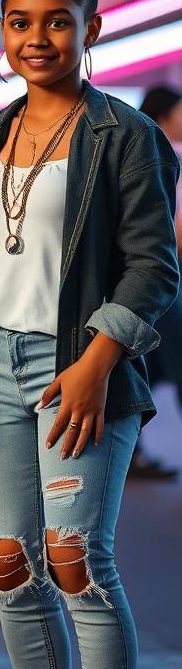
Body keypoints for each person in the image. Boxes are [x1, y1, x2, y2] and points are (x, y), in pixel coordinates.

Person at [0, 0, 179, 669]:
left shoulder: (129, 135)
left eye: (57, 20)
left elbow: (155, 267)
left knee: (76, 557)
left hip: (78, 365)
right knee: (11, 563)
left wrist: (97, 359)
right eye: (20, 21)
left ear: (93, 27)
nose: (36, 36)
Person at [129, 85, 182, 479]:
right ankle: (132, 452)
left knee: (139, 365)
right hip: (166, 279)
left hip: (153, 278)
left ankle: (133, 452)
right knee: (144, 366)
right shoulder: (162, 154)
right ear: (166, 114)